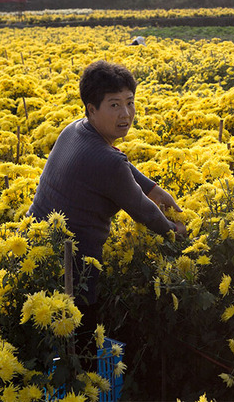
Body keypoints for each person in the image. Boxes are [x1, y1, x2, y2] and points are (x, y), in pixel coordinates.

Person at [27, 60, 186, 359]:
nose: (125, 114)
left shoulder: (75, 130)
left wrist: (153, 189)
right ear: (91, 109)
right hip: (74, 270)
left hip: (36, 245)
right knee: (80, 347)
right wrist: (177, 232)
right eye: (114, 105)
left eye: (130, 103)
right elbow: (145, 212)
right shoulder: (107, 161)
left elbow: (118, 163)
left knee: (47, 339)